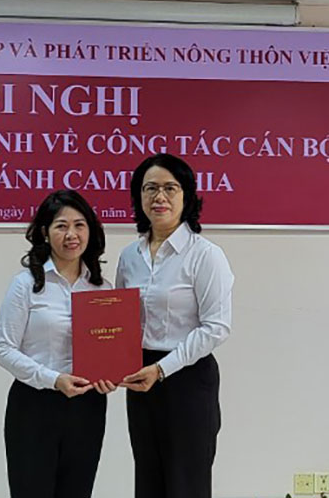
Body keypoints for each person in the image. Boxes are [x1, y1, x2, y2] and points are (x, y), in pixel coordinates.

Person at [116, 153, 234, 498]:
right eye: (150, 188)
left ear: (187, 196)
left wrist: (162, 369)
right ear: (139, 196)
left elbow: (216, 327)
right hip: (141, 379)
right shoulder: (129, 256)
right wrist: (110, 363)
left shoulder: (205, 255)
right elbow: (121, 321)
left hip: (187, 379)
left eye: (170, 188)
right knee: (148, 479)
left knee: (186, 484)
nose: (160, 197)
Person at [0, 189, 117, 498]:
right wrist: (53, 379)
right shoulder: (26, 284)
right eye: (61, 226)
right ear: (45, 233)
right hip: (35, 405)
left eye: (79, 225)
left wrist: (111, 376)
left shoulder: (103, 290)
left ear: (91, 230)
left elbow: (110, 349)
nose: (71, 234)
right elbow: (3, 349)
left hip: (87, 407)